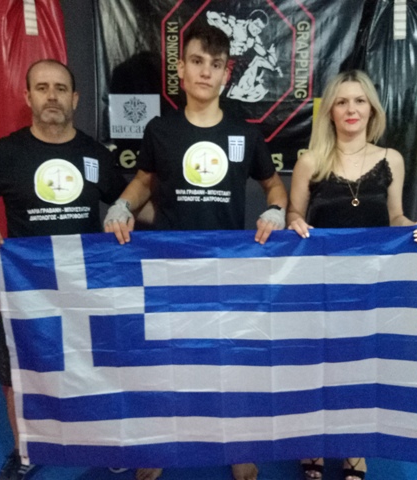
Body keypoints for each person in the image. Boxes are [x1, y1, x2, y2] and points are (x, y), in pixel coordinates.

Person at [104, 24, 287, 480]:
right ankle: (160, 446)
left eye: (215, 64)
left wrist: (276, 210)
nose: (206, 71)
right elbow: (143, 180)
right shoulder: (160, 129)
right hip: (169, 266)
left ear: (226, 74)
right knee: (166, 360)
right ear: (182, 70)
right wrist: (123, 205)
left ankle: (237, 445)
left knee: (229, 361)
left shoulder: (244, 133)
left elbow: (273, 184)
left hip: (228, 270)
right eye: (197, 61)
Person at [0, 59, 126, 480]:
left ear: (75, 98)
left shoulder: (95, 155)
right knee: (16, 372)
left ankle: (105, 440)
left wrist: (162, 223)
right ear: (27, 96)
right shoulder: (5, 153)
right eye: (43, 87)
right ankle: (25, 451)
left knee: (97, 367)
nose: (52, 96)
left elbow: (130, 201)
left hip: (85, 286)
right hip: (26, 287)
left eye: (61, 88)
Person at [286, 70, 417, 480]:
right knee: (316, 364)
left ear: (372, 109)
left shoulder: (391, 159)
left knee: (360, 366)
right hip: (319, 285)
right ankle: (312, 442)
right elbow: (294, 213)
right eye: (341, 101)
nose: (351, 109)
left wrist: (416, 230)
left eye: (359, 100)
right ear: (330, 112)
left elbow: (396, 217)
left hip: (371, 288)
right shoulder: (309, 162)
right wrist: (295, 221)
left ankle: (354, 447)